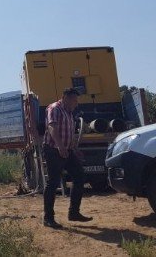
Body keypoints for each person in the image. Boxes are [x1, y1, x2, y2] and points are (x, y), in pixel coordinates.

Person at [42, 87, 92, 228]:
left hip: (67, 150)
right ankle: (48, 218)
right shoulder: (55, 108)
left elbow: (69, 133)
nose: (76, 103)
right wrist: (60, 146)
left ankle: (74, 213)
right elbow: (52, 127)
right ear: (66, 98)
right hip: (53, 149)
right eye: (74, 100)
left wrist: (74, 149)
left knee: (79, 176)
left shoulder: (69, 113)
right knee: (53, 182)